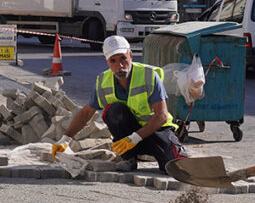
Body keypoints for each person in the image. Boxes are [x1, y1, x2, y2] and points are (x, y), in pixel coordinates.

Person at [51, 35, 188, 173]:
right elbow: (86, 112)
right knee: (114, 110)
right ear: (107, 61)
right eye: (113, 61)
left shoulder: (149, 75)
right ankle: (129, 158)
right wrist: (65, 139)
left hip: (155, 131)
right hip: (128, 139)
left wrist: (134, 138)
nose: (120, 65)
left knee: (174, 168)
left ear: (130, 55)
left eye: (123, 58)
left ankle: (164, 154)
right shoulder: (104, 81)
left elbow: (162, 116)